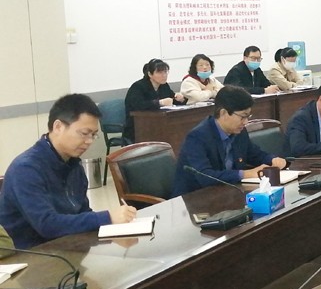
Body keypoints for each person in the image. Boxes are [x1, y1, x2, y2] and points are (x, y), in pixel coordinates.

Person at [0, 94, 137, 249]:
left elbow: (83, 214)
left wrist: (114, 228)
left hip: (65, 247)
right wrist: (108, 217)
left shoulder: (74, 165)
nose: (89, 141)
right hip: (28, 255)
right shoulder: (26, 169)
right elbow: (47, 225)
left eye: (93, 135)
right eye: (84, 133)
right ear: (58, 127)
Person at [172, 86, 287, 197]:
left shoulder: (239, 132)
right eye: (242, 117)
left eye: (248, 116)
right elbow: (205, 176)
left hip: (227, 194)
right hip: (195, 200)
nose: (246, 122)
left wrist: (273, 160)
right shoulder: (197, 137)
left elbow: (254, 154)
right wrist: (245, 174)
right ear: (223, 113)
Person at [124, 58, 186, 141]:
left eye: (165, 72)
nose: (164, 75)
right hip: (138, 128)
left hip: (161, 123)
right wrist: (159, 102)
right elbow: (139, 105)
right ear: (150, 74)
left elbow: (172, 100)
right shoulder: (138, 87)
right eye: (159, 72)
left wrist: (181, 99)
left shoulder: (164, 86)